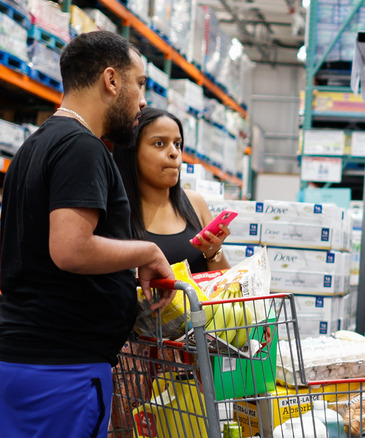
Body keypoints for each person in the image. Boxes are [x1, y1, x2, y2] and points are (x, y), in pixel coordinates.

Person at [0, 31, 176, 437]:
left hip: (26, 361)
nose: (143, 99)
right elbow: (70, 249)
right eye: (141, 83)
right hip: (63, 373)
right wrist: (147, 252)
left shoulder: (35, 145)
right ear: (111, 81)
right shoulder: (82, 147)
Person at [113, 107, 231, 273]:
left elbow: (224, 285)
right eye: (159, 144)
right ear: (132, 151)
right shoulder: (115, 211)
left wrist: (213, 252)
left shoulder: (195, 203)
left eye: (177, 144)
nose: (174, 153)